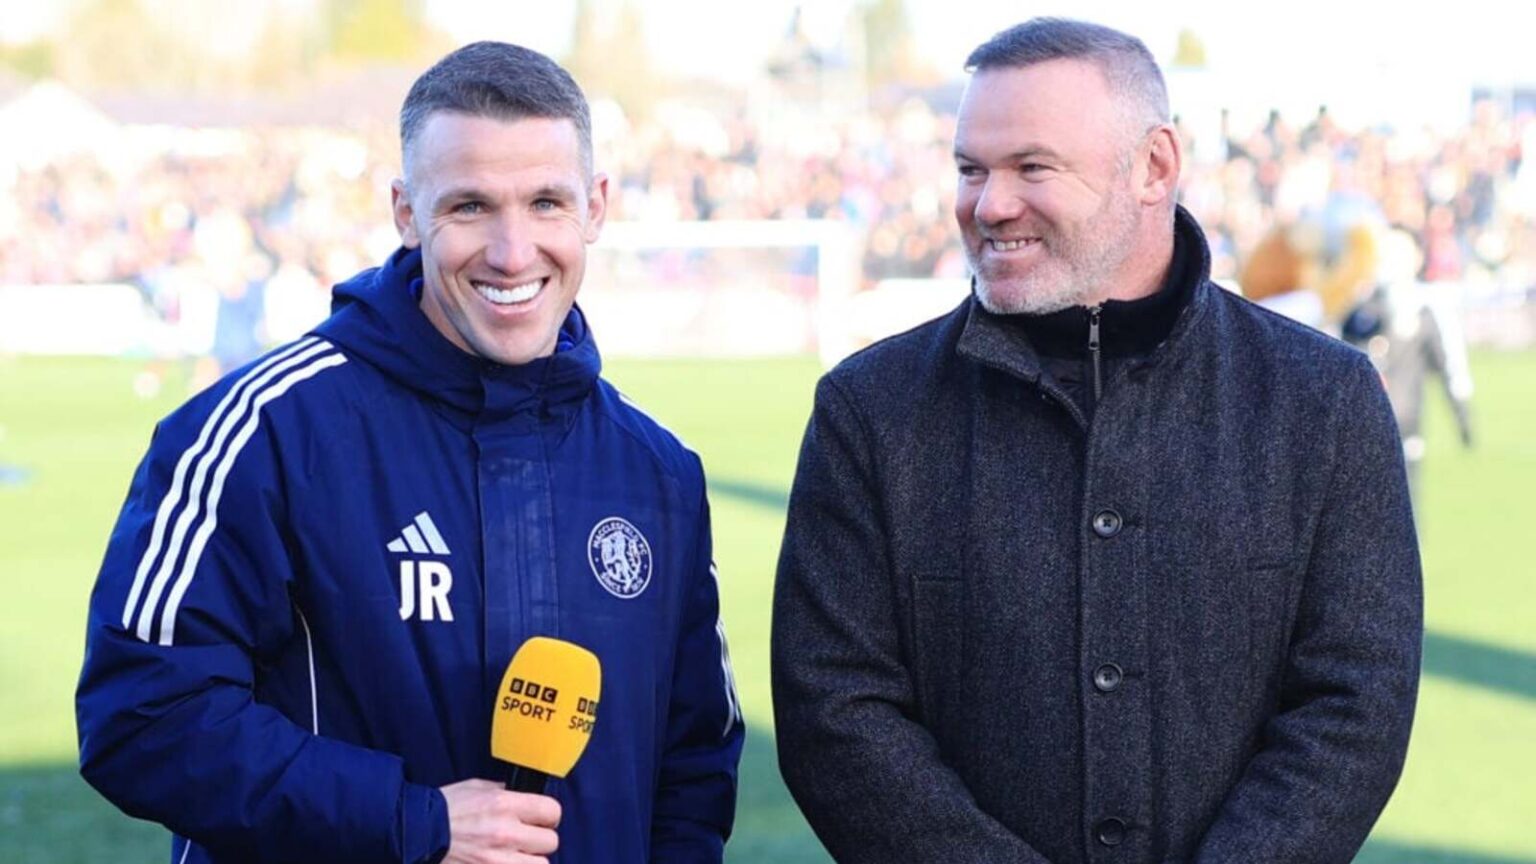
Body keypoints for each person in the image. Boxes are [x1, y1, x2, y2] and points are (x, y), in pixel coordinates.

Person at [772, 18, 1421, 864]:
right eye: (972, 169)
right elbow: (835, 712)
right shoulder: (868, 412)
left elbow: (1354, 704)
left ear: (1154, 167)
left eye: (1031, 166)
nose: (989, 203)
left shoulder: (1324, 403)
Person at [77, 41, 743, 864]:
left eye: (545, 202)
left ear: (597, 207)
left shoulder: (658, 473)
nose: (510, 251)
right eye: (468, 207)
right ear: (404, 210)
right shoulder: (264, 433)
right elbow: (142, 717)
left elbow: (695, 768)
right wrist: (411, 820)